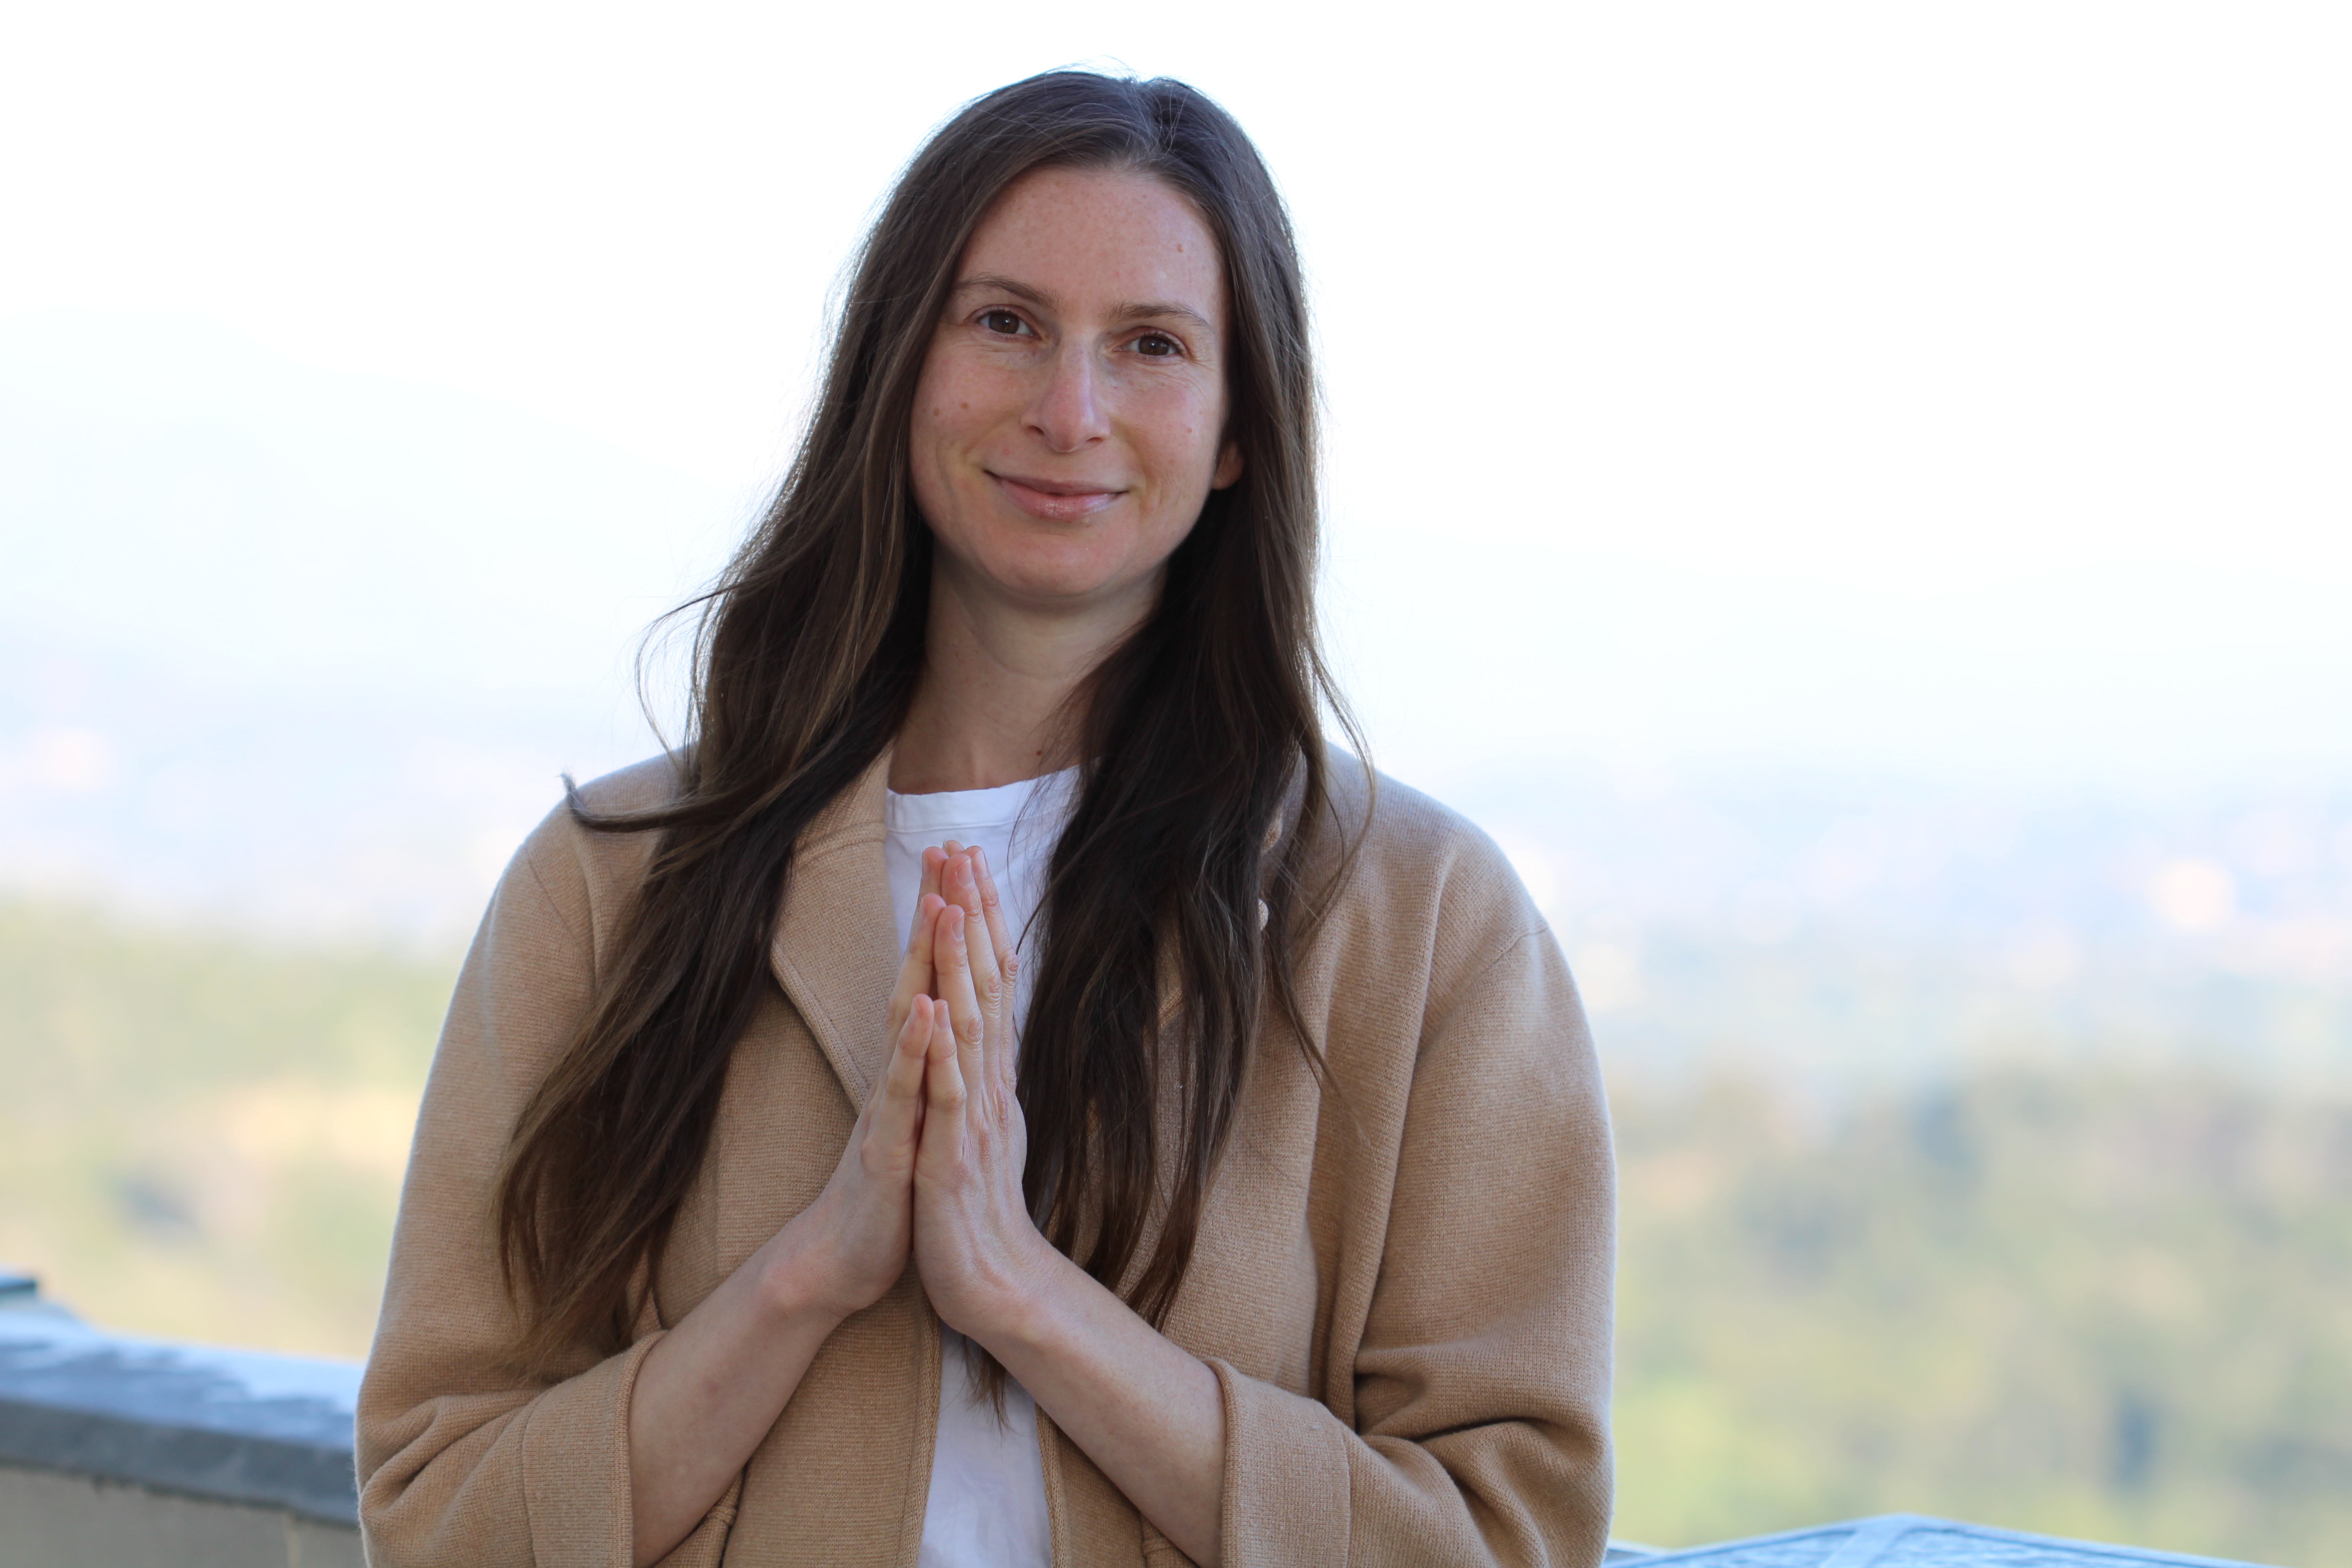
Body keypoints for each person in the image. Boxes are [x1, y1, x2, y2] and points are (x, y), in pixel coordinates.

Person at [356, 69, 1615, 1568]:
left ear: (1237, 430)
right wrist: (815, 1271)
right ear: (900, 365)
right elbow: (437, 1517)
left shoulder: (1423, 923)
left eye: (1152, 345)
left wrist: (1021, 1291)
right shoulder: (610, 887)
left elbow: (1506, 1537)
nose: (1067, 411)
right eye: (1006, 323)